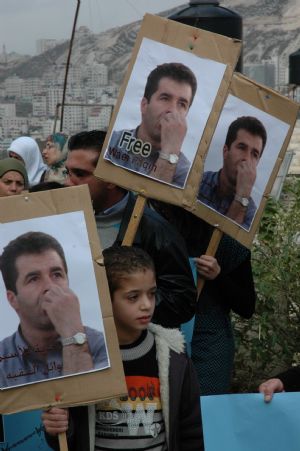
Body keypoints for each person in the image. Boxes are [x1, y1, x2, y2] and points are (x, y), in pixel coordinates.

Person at [43, 245, 204, 451]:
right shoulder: (82, 359)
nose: (146, 304)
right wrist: (57, 427)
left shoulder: (175, 359)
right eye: (133, 297)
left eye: (152, 293)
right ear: (106, 299)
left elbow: (192, 431)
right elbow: (69, 438)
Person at [65, 130, 197, 328]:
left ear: (110, 178)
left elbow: (181, 302)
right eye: (68, 172)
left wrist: (126, 300)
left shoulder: (154, 230)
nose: (68, 182)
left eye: (80, 174)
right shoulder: (62, 221)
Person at [150, 201, 256, 394]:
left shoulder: (227, 240)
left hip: (209, 347)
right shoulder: (153, 231)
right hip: (159, 338)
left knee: (206, 414)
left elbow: (247, 306)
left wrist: (218, 276)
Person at [0, 231, 108, 388]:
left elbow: (86, 398)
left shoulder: (102, 345)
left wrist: (72, 335)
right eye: (34, 279)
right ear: (13, 299)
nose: (50, 287)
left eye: (57, 274)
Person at [105, 62, 197, 188]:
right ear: (144, 105)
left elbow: (150, 205)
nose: (173, 111)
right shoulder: (111, 142)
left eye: (182, 104)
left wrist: (170, 152)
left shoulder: (185, 173)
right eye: (165, 98)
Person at [198, 116, 267, 230]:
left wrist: (242, 196)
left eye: (254, 154)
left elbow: (224, 246)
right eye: (242, 147)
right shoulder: (198, 181)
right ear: (225, 151)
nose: (247, 159)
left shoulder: (251, 214)